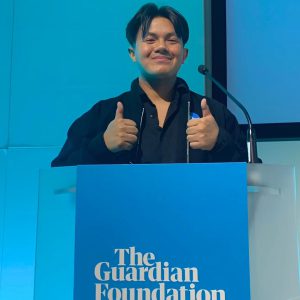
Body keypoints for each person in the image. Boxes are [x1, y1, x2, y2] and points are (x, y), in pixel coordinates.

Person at [51, 3, 247, 167]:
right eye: (150, 39)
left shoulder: (214, 114)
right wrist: (102, 145)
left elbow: (253, 178)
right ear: (133, 53)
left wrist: (219, 142)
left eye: (171, 40)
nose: (161, 47)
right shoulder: (104, 113)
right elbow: (60, 175)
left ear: (184, 55)